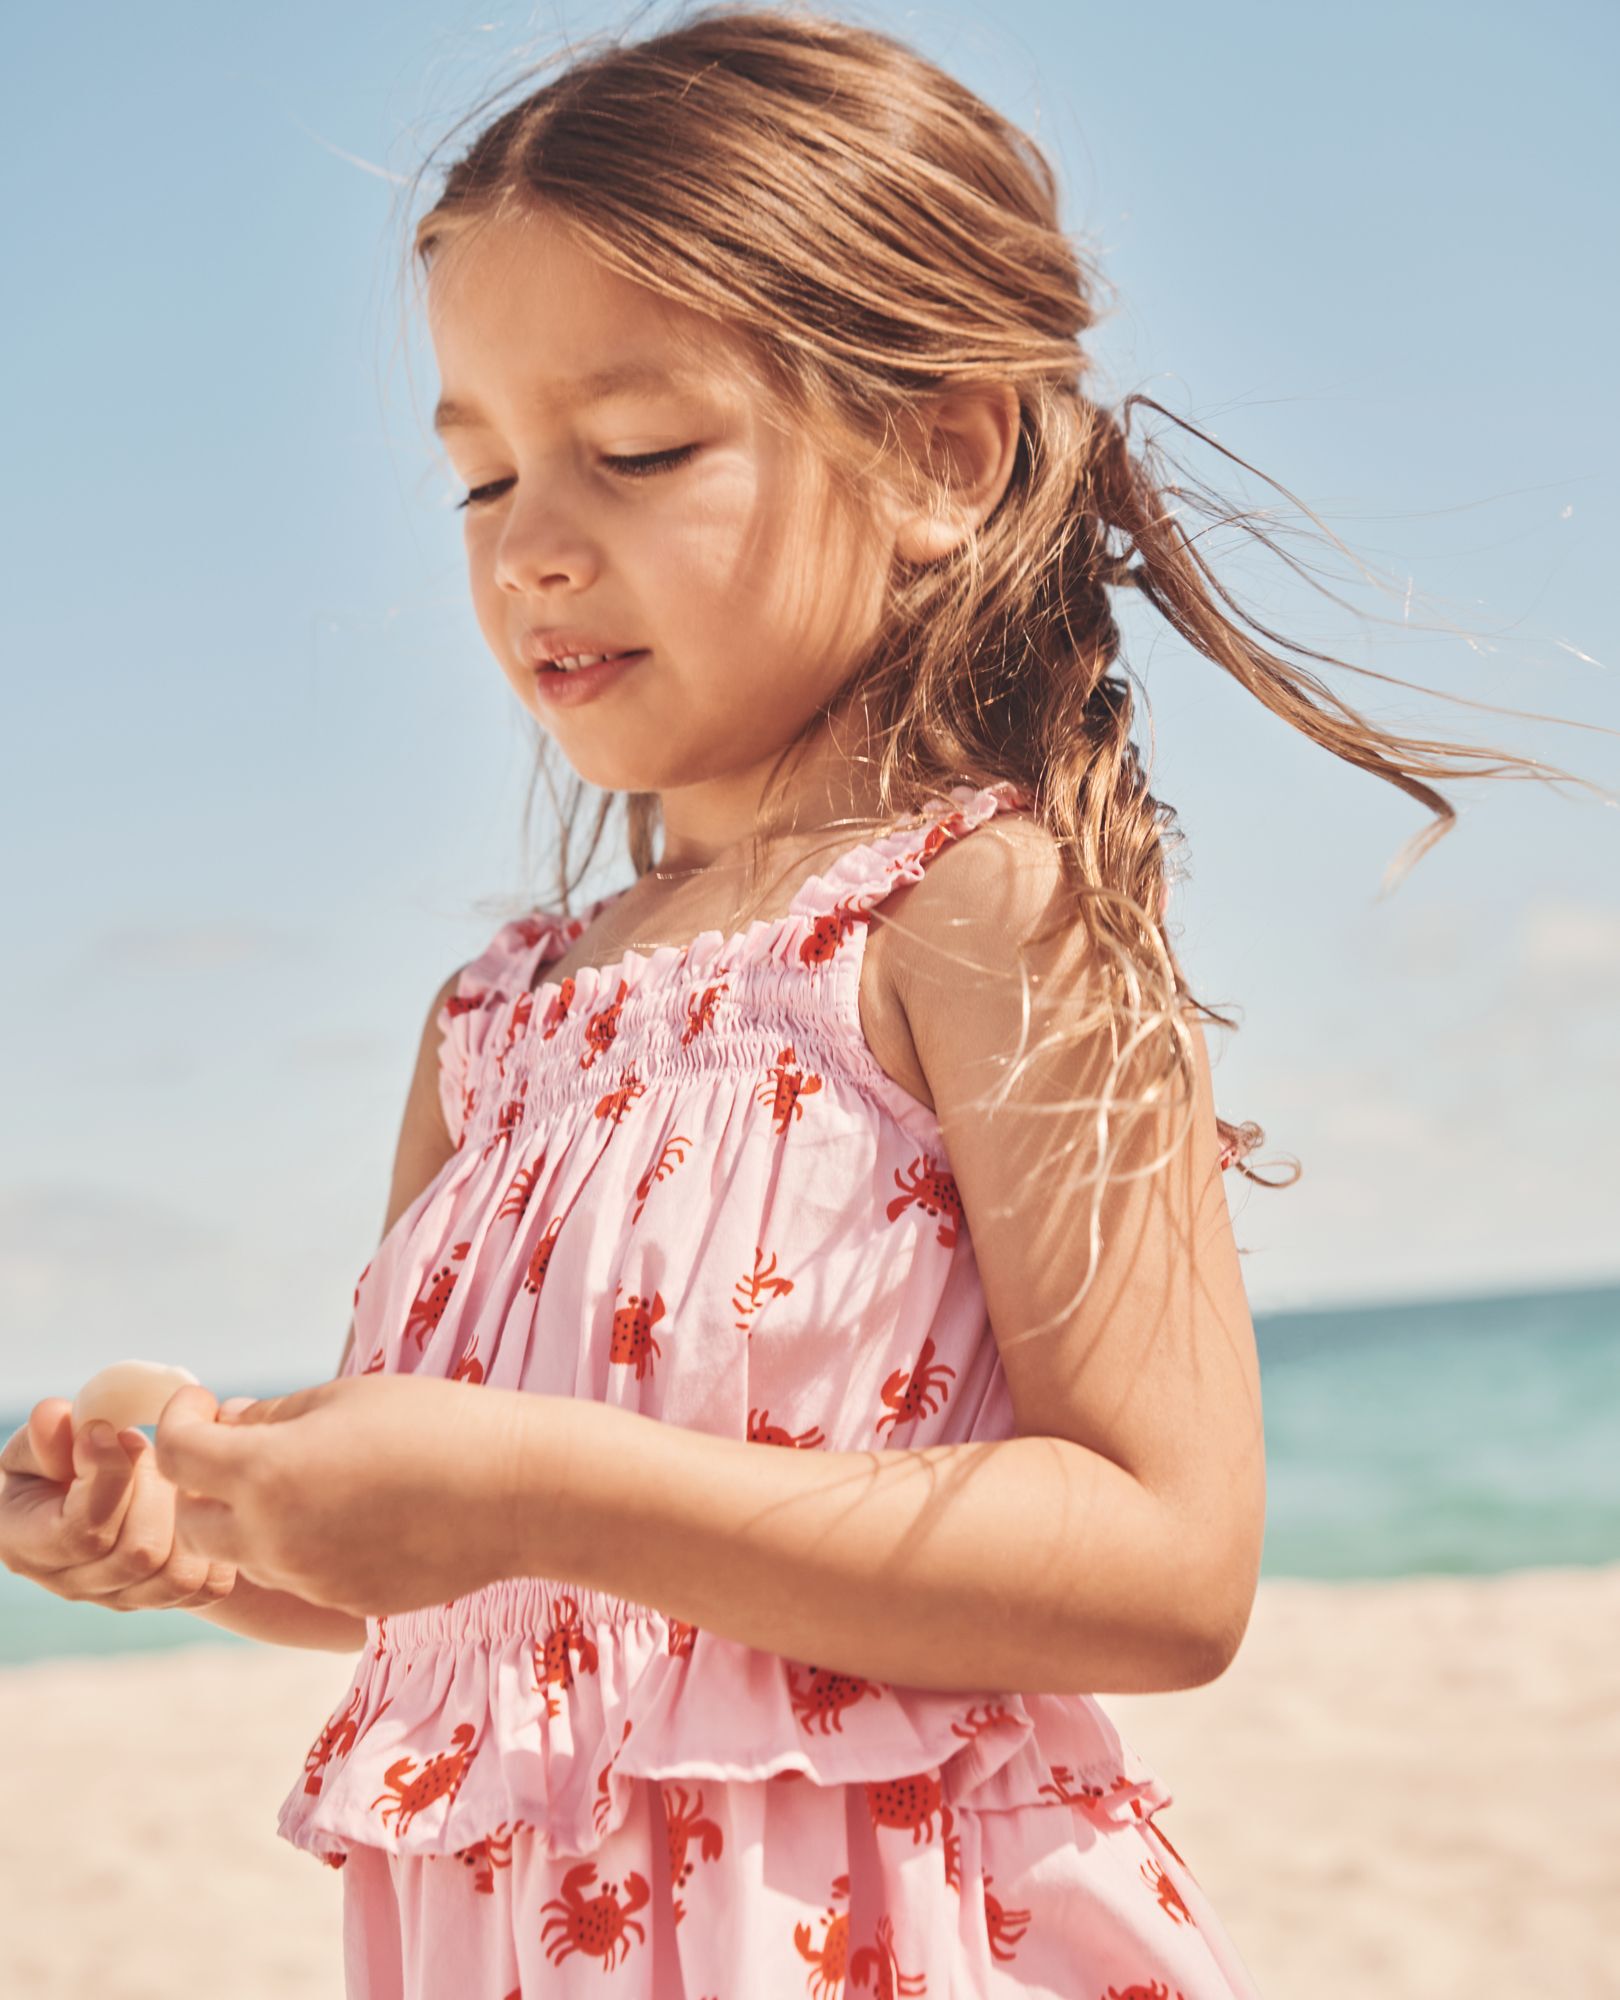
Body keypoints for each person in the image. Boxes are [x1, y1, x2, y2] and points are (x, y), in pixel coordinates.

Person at [1, 8, 1565, 1995]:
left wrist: (527, 1483)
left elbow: (1173, 1566)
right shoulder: (497, 1025)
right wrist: (212, 1520)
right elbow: (504, 1608)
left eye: (637, 451)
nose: (532, 549)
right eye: (479, 482)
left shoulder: (979, 914)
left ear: (942, 449)